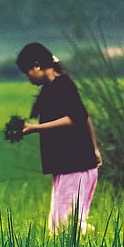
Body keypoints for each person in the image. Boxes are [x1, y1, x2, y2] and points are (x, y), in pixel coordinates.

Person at [15, 42, 102, 234]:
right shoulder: (51, 88)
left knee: (65, 226)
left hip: (75, 164)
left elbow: (76, 118)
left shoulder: (63, 85)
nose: (28, 77)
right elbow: (84, 116)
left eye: (27, 71)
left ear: (37, 65)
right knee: (60, 224)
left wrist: (35, 128)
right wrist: (95, 149)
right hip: (67, 165)